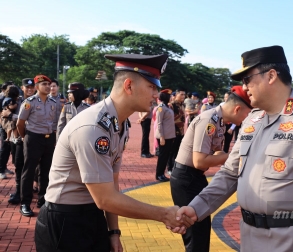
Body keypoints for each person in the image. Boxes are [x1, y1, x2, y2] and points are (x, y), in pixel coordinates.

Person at [176, 46, 293, 252]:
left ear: (271, 76)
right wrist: (196, 208)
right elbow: (229, 173)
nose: (244, 88)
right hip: (250, 237)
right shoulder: (253, 119)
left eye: (247, 79)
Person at [34, 53, 193, 252]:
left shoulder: (120, 123)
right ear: (128, 86)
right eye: (152, 87)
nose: (156, 94)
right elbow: (106, 198)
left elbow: (113, 182)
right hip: (65, 221)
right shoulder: (93, 126)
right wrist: (163, 214)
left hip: (93, 214)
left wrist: (113, 232)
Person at [171, 85, 252, 251]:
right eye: (247, 114)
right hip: (186, 179)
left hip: (195, 178)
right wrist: (235, 156)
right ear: (237, 109)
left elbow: (217, 150)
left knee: (201, 233)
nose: (247, 119)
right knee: (195, 237)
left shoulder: (219, 120)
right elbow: (199, 161)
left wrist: (231, 160)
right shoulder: (209, 119)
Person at [17, 75, 58, 217]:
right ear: (36, 87)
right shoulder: (29, 103)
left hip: (48, 139)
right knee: (29, 171)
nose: (47, 86)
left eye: (49, 84)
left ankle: (43, 200)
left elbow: (54, 123)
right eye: (44, 84)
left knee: (46, 171)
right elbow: (20, 123)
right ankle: (25, 203)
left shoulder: (53, 102)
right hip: (33, 138)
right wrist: (25, 138)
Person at [6, 78, 36, 204]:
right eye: (26, 87)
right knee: (18, 165)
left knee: (30, 166)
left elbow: (28, 119)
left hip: (31, 138)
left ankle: (27, 191)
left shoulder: (36, 101)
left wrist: (12, 115)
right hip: (18, 139)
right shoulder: (16, 101)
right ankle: (19, 191)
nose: (29, 89)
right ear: (22, 88)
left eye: (31, 87)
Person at [155, 89, 175, 182]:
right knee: (162, 156)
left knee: (166, 156)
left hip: (169, 136)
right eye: (169, 96)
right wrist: (162, 137)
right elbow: (159, 123)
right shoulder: (161, 107)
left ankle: (162, 173)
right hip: (164, 136)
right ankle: (159, 174)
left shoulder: (168, 107)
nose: (171, 98)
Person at [167, 88, 186, 174]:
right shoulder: (171, 105)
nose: (183, 96)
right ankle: (169, 168)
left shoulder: (182, 105)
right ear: (176, 95)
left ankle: (175, 167)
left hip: (181, 131)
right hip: (173, 131)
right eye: (181, 94)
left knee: (178, 150)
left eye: (184, 95)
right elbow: (170, 119)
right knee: (171, 150)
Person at [0, 81, 16, 179]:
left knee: (8, 147)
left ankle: (4, 167)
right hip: (4, 125)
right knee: (4, 147)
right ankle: (1, 169)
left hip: (9, 124)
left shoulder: (10, 98)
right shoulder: (2, 98)